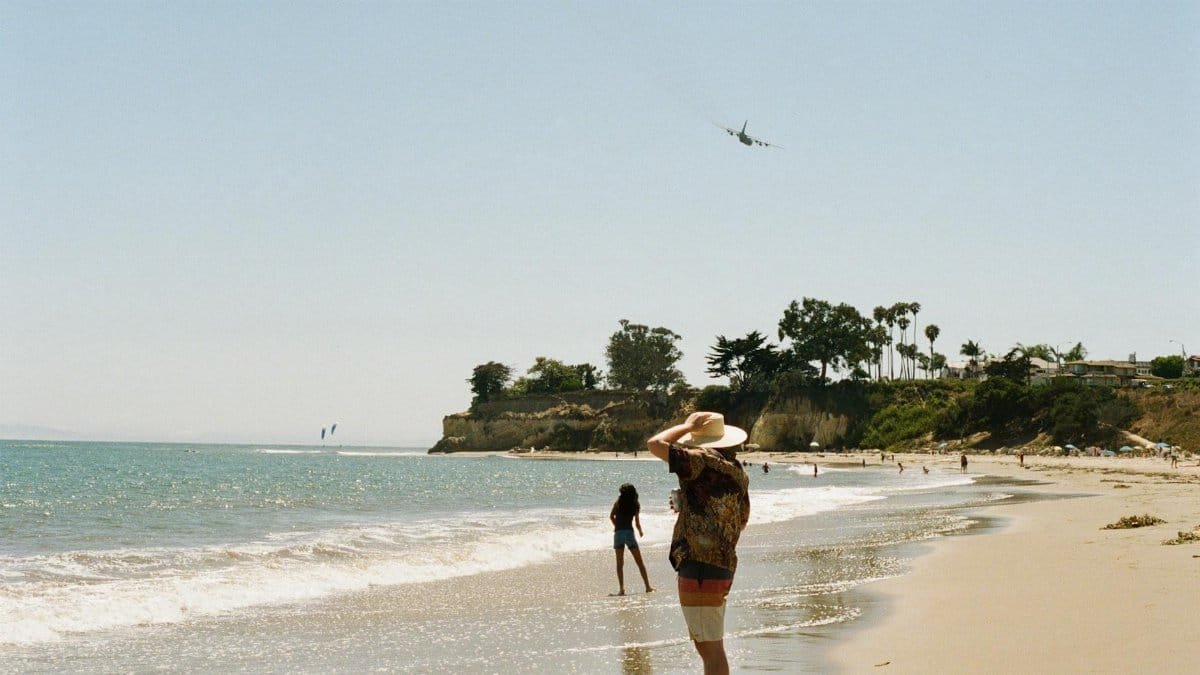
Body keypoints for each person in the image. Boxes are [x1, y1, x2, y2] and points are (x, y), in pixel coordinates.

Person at [647, 412, 750, 675]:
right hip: (723, 564)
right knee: (712, 645)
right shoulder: (736, 470)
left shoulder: (699, 460)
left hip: (699, 564)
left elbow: (655, 444)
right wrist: (693, 505)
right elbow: (740, 521)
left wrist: (685, 426)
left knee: (709, 649)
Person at [610, 483, 653, 596]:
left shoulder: (617, 503)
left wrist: (617, 526)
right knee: (639, 562)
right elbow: (637, 522)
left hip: (618, 534)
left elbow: (611, 516)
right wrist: (640, 531)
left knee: (619, 564)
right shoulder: (635, 504)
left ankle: (621, 589)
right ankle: (647, 587)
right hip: (629, 533)